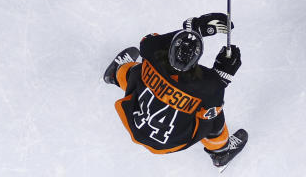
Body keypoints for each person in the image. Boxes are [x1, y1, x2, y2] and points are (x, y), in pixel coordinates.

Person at [102, 13, 248, 168]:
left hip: (135, 124)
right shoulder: (207, 86)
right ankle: (221, 153)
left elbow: (149, 41)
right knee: (213, 114)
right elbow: (212, 100)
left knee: (139, 71)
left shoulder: (151, 49)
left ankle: (115, 75)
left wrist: (192, 29)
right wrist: (221, 75)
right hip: (170, 141)